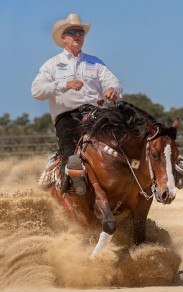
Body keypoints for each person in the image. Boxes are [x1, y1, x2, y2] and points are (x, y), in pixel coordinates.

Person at [31, 13, 123, 195]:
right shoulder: (52, 64)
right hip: (67, 116)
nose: (78, 35)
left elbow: (114, 83)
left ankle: (139, 176)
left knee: (121, 141)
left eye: (81, 32)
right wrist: (64, 85)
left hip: (97, 113)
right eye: (72, 31)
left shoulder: (95, 63)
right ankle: (72, 181)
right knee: (69, 146)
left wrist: (112, 90)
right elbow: (36, 90)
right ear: (63, 38)